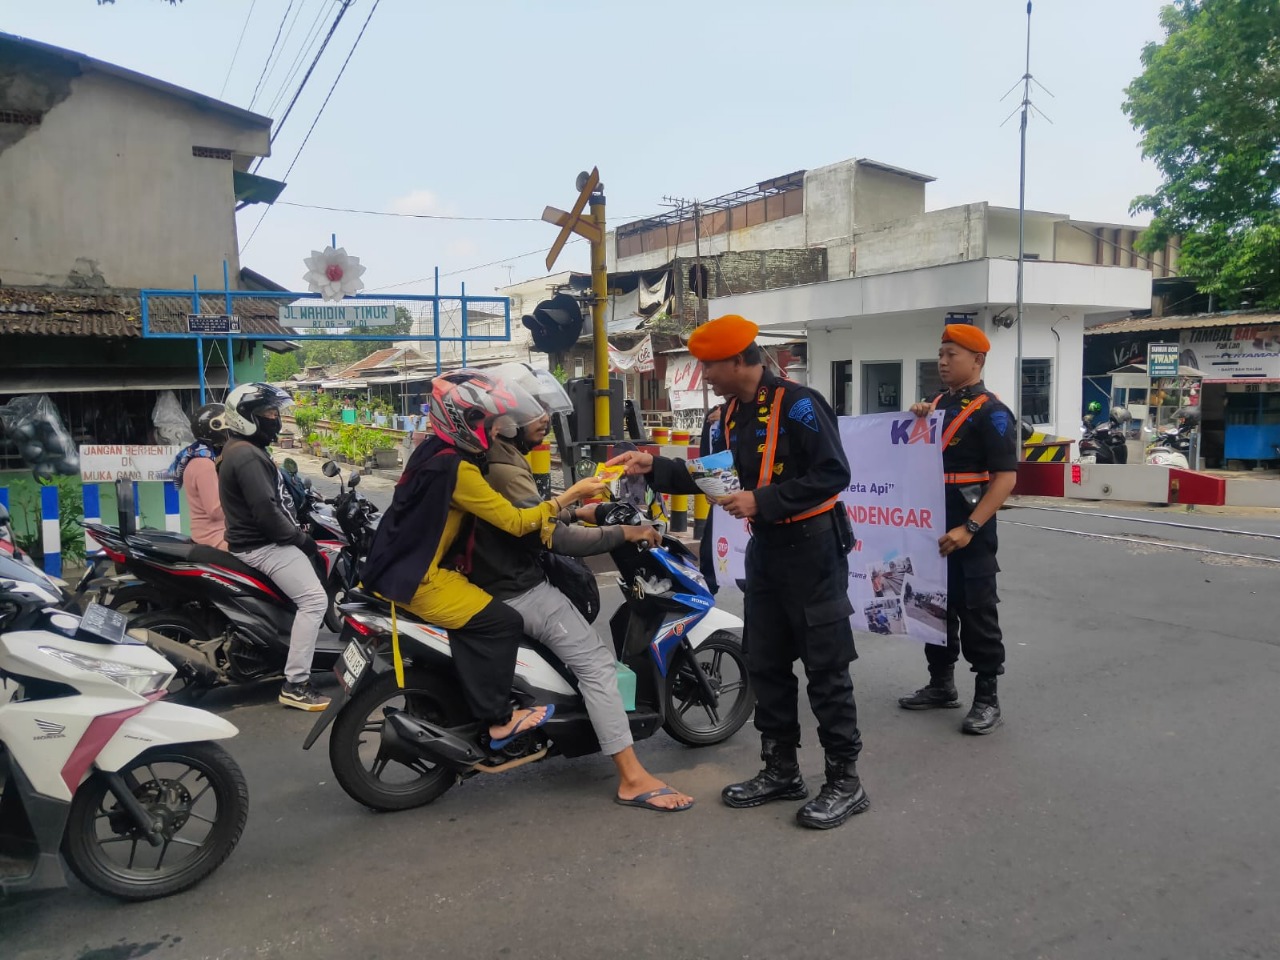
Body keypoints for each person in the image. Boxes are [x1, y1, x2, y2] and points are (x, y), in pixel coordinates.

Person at [609, 315, 869, 831]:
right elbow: (712, 478)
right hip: (766, 554)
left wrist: (763, 499)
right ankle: (781, 769)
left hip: (814, 552)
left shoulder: (798, 404)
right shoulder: (720, 419)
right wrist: (654, 466)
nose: (703, 375)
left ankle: (845, 779)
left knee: (826, 668)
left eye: (709, 365)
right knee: (766, 663)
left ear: (738, 360)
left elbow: (833, 473)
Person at [466, 363, 694, 812]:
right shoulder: (505, 469)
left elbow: (533, 519)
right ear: (510, 422)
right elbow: (552, 538)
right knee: (596, 665)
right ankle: (631, 777)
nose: (545, 424)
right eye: (538, 417)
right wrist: (623, 534)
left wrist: (578, 510)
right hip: (517, 587)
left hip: (495, 575)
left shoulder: (499, 458)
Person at [359, 370, 608, 749]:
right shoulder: (459, 469)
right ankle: (498, 719)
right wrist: (569, 497)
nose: (495, 433)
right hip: (419, 578)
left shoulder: (431, 450)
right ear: (464, 423)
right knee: (501, 622)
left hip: (396, 565)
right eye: (489, 425)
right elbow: (516, 521)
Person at [897, 324, 1018, 734]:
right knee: (932, 605)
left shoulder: (993, 412)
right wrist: (916, 420)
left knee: (977, 611)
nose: (943, 362)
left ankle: (987, 698)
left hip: (970, 532)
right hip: (930, 529)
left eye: (952, 354)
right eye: (941, 354)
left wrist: (969, 527)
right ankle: (941, 685)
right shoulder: (933, 405)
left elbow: (1005, 479)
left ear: (977, 360)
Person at [215, 383, 331, 711]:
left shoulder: (239, 449)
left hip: (252, 542)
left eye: (275, 412)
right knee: (314, 600)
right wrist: (302, 540)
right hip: (263, 546)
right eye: (267, 413)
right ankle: (296, 683)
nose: (275, 419)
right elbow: (266, 513)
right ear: (245, 418)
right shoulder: (248, 456)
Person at [171, 403, 228, 550]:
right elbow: (215, 511)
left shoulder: (203, 457)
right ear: (215, 427)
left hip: (218, 533)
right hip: (215, 537)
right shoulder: (204, 464)